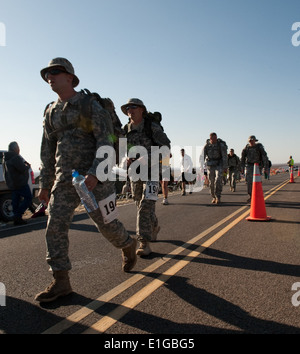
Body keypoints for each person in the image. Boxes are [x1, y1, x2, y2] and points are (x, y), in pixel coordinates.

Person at [35, 58, 137, 303]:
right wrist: (45, 184)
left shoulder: (89, 105)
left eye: (55, 72)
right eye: (47, 73)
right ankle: (61, 281)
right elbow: (47, 151)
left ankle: (127, 245)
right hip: (64, 180)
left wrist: (94, 173)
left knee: (107, 225)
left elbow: (107, 141)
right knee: (55, 226)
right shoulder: (51, 111)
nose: (50, 76)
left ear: (69, 77)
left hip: (94, 180)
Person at [121, 98, 171, 256]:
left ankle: (144, 243)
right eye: (128, 108)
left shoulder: (152, 127)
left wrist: (147, 158)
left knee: (144, 206)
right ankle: (154, 225)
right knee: (140, 204)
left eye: (133, 106)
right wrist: (127, 157)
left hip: (152, 172)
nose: (130, 110)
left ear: (142, 109)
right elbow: (123, 146)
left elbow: (166, 148)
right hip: (135, 172)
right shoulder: (126, 129)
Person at [2, 142, 32, 225]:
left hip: (12, 184)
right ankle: (18, 215)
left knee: (16, 201)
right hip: (20, 183)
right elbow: (22, 169)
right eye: (18, 148)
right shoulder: (15, 157)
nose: (19, 149)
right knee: (28, 198)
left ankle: (17, 218)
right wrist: (27, 166)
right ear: (15, 149)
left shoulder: (5, 158)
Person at [240, 135, 268, 203]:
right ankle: (251, 196)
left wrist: (266, 168)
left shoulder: (259, 147)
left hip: (258, 166)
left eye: (252, 140)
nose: (251, 142)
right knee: (249, 182)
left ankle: (258, 195)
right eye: (250, 141)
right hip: (249, 166)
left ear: (255, 141)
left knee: (257, 182)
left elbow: (264, 157)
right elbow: (242, 158)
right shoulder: (246, 148)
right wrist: (242, 168)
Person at [203, 132, 228, 204]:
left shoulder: (220, 145)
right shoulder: (207, 146)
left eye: (215, 138)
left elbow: (224, 156)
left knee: (218, 179)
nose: (214, 140)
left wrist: (225, 167)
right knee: (211, 182)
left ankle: (218, 196)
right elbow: (203, 156)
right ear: (210, 138)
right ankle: (213, 196)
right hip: (210, 165)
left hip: (219, 164)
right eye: (213, 138)